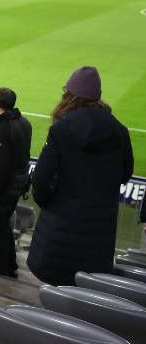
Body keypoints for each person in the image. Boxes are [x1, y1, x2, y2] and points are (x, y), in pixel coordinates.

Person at [28, 67, 133, 286]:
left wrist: (51, 204)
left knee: (55, 299)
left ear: (70, 96)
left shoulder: (60, 130)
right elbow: (125, 174)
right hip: (99, 237)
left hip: (59, 233)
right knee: (86, 296)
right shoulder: (119, 131)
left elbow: (40, 181)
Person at [0, 87, 32, 278]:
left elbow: (2, 167)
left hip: (6, 187)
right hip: (18, 183)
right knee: (4, 224)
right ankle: (10, 264)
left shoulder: (2, 129)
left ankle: (2, 268)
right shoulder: (24, 123)